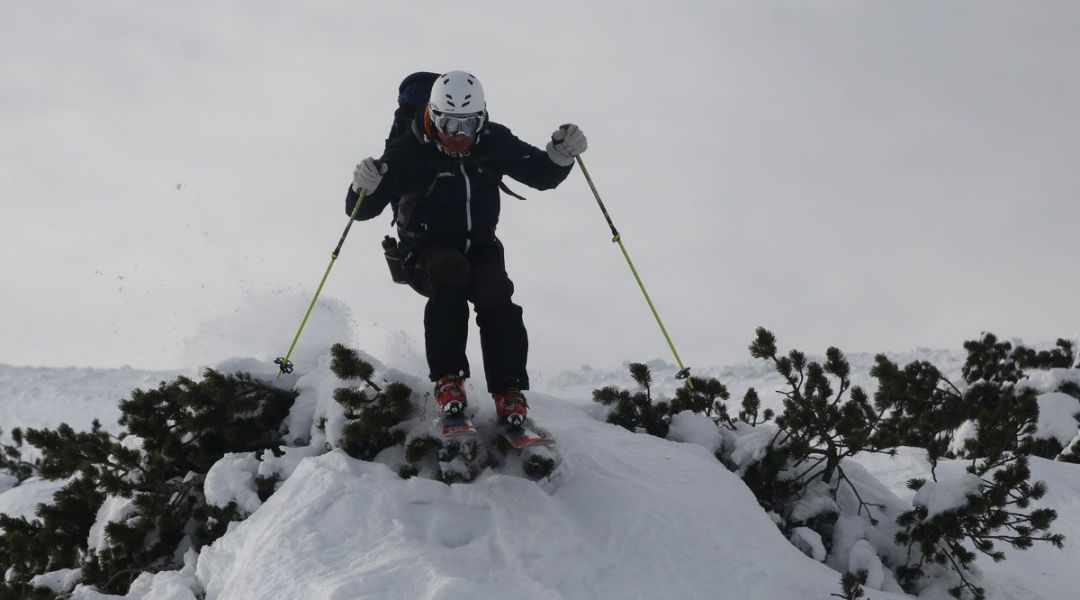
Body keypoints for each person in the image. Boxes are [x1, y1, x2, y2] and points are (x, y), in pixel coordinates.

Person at [346, 71, 587, 429]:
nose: (458, 134)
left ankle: (509, 390)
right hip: (424, 251)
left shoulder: (493, 140)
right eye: (447, 122)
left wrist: (561, 156)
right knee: (450, 273)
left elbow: (541, 175)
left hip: (481, 245)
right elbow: (361, 210)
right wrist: (360, 187)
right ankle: (449, 380)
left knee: (495, 293)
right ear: (432, 114)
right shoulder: (407, 152)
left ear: (482, 116)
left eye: (469, 123)